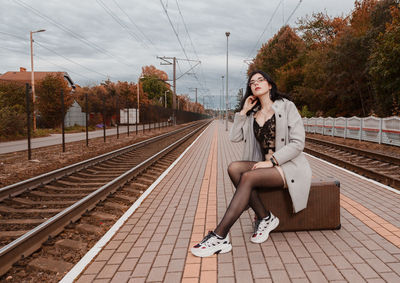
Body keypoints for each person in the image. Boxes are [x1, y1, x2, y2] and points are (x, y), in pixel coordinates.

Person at [191, 70, 312, 257]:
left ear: (270, 85)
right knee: (234, 168)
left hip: (288, 167)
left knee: (247, 177)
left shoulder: (287, 107)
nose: (256, 83)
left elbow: (298, 144)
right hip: (266, 166)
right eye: (252, 82)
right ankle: (265, 217)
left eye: (261, 80)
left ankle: (220, 236)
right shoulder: (252, 115)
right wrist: (243, 112)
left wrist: (271, 161)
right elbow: (234, 137)